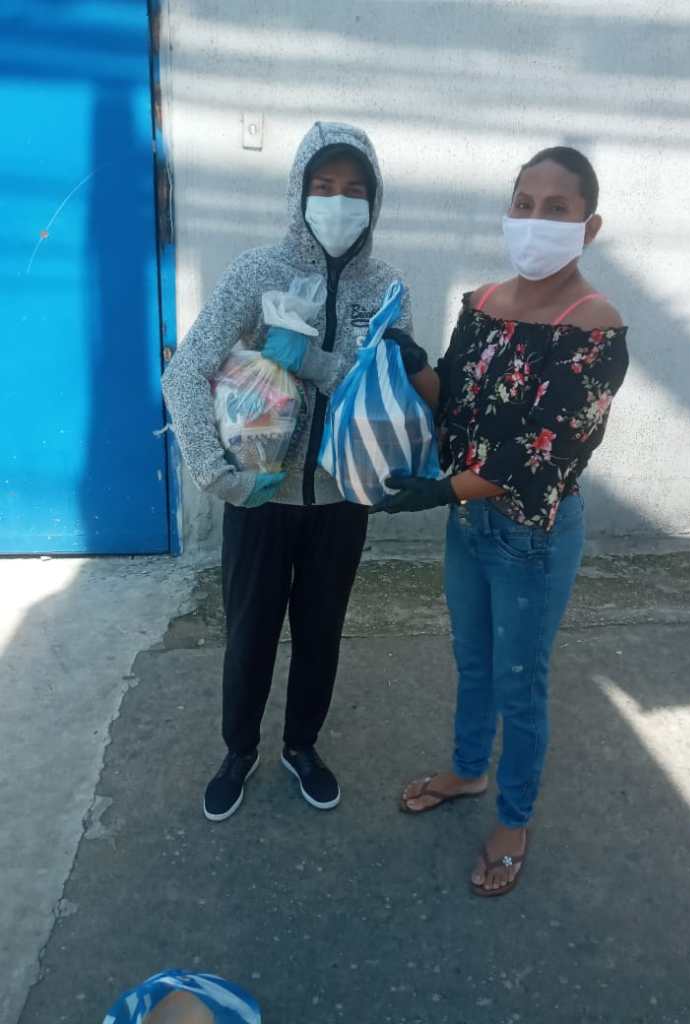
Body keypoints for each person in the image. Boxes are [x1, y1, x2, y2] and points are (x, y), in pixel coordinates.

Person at [373, 147, 629, 896]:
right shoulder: (482, 302)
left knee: (521, 683)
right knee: (474, 662)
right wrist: (413, 365)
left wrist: (437, 492)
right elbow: (452, 403)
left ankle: (514, 819)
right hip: (469, 522)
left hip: (532, 537)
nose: (535, 220)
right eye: (524, 203)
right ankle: (466, 770)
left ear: (589, 226)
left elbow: (543, 453)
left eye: (557, 208)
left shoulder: (595, 326)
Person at [162, 122, 427, 821]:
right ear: (298, 192)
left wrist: (314, 362)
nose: (339, 202)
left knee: (320, 634)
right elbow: (185, 372)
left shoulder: (387, 288)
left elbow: (390, 391)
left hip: (342, 500)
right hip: (259, 498)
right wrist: (215, 473)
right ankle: (238, 751)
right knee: (249, 635)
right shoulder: (257, 272)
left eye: (355, 190)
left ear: (374, 200)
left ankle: (301, 747)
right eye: (324, 186)